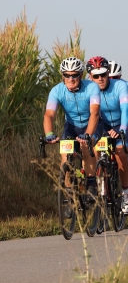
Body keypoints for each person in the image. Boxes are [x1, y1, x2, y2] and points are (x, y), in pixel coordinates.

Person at [43, 57, 100, 196]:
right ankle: (69, 195)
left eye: (74, 75)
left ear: (81, 75)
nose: (70, 79)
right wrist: (49, 134)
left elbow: (95, 113)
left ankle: (91, 182)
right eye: (67, 75)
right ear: (63, 76)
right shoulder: (57, 91)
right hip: (71, 126)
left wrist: (87, 134)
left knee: (86, 146)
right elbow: (49, 115)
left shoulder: (92, 87)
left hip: (91, 123)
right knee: (65, 156)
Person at [87, 56, 128, 215]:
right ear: (90, 77)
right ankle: (99, 186)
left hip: (123, 121)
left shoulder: (120, 86)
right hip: (102, 123)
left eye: (103, 75)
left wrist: (121, 129)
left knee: (120, 153)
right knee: (94, 150)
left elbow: (126, 109)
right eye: (96, 76)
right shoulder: (87, 89)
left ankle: (126, 192)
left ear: (108, 74)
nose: (100, 79)